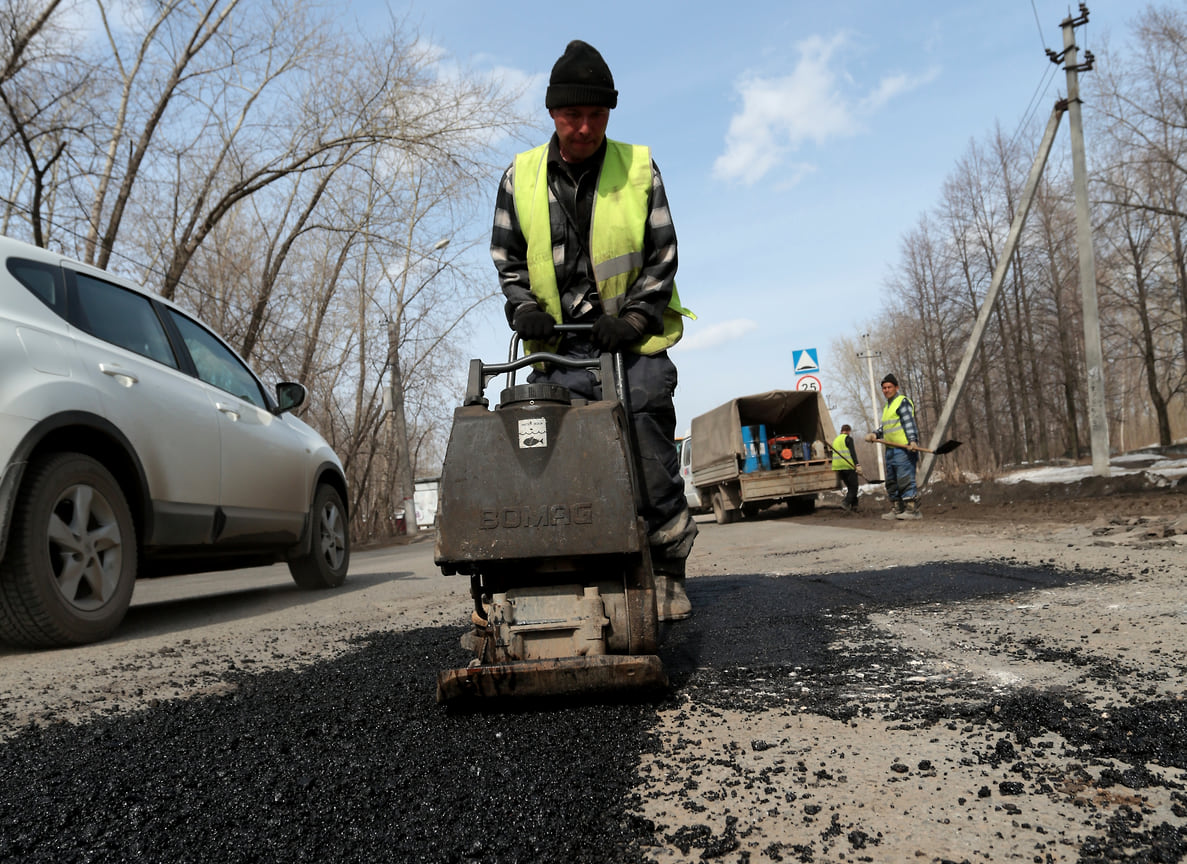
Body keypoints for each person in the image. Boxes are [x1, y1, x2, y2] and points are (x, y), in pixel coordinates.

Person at [490, 40, 697, 620]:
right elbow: (507, 259)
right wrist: (523, 309)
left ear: (609, 113)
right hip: (558, 347)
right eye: (571, 115)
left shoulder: (637, 169)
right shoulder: (520, 176)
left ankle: (668, 568)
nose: (583, 128)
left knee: (643, 421)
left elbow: (663, 254)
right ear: (552, 114)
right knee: (554, 448)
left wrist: (632, 319)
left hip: (630, 339)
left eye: (595, 116)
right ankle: (581, 566)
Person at [874, 373, 922, 520]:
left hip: (904, 448)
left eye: (889, 387)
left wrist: (912, 440)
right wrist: (875, 434)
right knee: (892, 481)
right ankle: (897, 509)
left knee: (904, 478)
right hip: (890, 450)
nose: (886, 390)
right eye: (884, 388)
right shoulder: (888, 407)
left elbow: (908, 423)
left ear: (896, 387)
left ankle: (912, 510)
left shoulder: (902, 402)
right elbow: (886, 427)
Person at [830, 424, 861, 512]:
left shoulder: (836, 440)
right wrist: (857, 465)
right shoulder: (848, 439)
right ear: (848, 431)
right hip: (847, 466)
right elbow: (852, 452)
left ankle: (855, 506)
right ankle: (845, 503)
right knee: (854, 487)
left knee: (850, 486)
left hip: (838, 467)